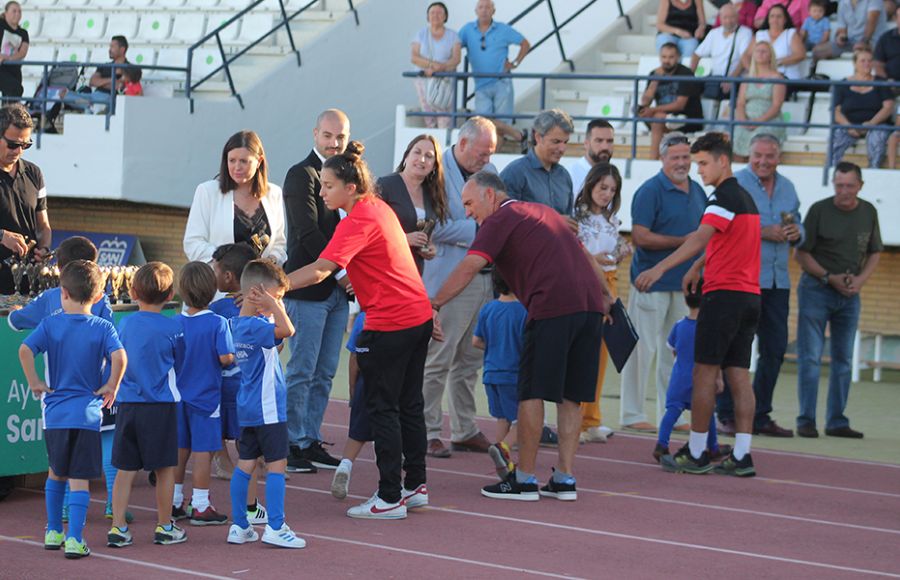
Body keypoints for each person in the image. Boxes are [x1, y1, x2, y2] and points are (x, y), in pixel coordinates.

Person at [432, 171, 613, 502]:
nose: (469, 213)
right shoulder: (543, 212)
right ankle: (564, 478)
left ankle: (525, 479)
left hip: (552, 307)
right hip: (589, 307)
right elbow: (585, 256)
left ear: (491, 196)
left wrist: (433, 303)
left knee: (530, 392)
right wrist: (609, 298)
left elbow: (471, 265)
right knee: (572, 397)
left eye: (470, 204)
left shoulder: (502, 218)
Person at [287, 141, 434, 520]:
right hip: (417, 315)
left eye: (328, 186)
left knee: (383, 407)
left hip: (391, 322)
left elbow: (321, 270)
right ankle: (414, 485)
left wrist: (276, 285)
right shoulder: (377, 208)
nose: (321, 192)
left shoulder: (357, 219)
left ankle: (389, 498)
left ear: (350, 187)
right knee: (409, 404)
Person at [635, 132, 762, 478]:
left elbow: (700, 238)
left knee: (703, 373)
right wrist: (696, 267)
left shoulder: (721, 197)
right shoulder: (747, 198)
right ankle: (742, 454)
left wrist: (660, 267)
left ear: (724, 161)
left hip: (723, 297)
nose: (698, 170)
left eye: (704, 163)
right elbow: (723, 243)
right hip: (750, 296)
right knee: (738, 375)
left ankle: (696, 452)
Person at [7, 236, 122, 522]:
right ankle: (112, 504)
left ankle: (60, 516)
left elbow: (17, 325)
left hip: (57, 400)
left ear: (60, 273)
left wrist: (16, 314)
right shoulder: (102, 301)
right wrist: (112, 383)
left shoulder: (48, 302)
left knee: (59, 463)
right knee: (104, 442)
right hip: (97, 394)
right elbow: (118, 351)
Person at [620, 132, 706, 433]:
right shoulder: (649, 190)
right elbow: (641, 236)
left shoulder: (698, 191)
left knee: (677, 352)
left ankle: (675, 412)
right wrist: (682, 242)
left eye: (686, 157)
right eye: (675, 157)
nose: (681, 163)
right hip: (650, 283)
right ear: (662, 158)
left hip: (684, 287)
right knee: (641, 350)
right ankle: (631, 413)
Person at [717, 134, 802, 438]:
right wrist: (763, 231)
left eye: (770, 156)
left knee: (775, 349)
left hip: (778, 282)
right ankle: (726, 414)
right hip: (744, 279)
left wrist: (795, 231)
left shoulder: (788, 187)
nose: (763, 161)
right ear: (747, 154)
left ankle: (760, 415)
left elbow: (798, 222)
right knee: (734, 348)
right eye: (758, 156)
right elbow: (721, 227)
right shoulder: (735, 184)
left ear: (779, 157)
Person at [422, 117, 497, 458]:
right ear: (463, 144)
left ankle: (465, 428)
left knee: (471, 359)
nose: (487, 159)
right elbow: (430, 227)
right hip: (448, 280)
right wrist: (481, 232)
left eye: (491, 153)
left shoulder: (489, 171)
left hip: (484, 279)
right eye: (482, 153)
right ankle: (428, 430)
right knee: (439, 358)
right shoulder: (435, 171)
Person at [281, 109, 351, 475]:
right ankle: (290, 442)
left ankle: (309, 438)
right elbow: (306, 234)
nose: (334, 142)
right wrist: (340, 271)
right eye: (328, 135)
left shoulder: (348, 176)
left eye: (339, 137)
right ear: (315, 133)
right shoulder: (301, 174)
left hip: (339, 293)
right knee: (302, 369)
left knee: (325, 372)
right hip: (309, 290)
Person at [795, 162, 882, 439]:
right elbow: (802, 254)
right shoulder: (819, 210)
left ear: (860, 186)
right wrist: (828, 277)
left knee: (843, 359)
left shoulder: (868, 211)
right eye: (839, 185)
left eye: (849, 186)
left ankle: (836, 421)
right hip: (816, 290)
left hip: (849, 294)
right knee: (810, 358)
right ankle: (806, 420)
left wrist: (860, 281)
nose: (843, 191)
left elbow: (874, 252)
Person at [227, 259, 305, 548]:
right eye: (277, 296)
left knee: (245, 464)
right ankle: (275, 525)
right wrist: (276, 307)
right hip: (268, 408)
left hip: (248, 407)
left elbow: (275, 343)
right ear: (258, 294)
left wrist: (270, 307)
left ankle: (240, 525)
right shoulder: (259, 325)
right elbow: (288, 331)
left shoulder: (241, 324)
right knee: (276, 465)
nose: (279, 303)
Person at [108, 262, 186, 548]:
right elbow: (181, 361)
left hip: (128, 404)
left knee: (125, 468)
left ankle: (118, 527)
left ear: (132, 291)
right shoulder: (173, 326)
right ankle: (165, 525)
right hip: (160, 405)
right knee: (165, 467)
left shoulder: (124, 324)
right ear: (170, 295)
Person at [209, 243, 269, 531]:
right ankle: (252, 472)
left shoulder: (217, 309)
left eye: (215, 268)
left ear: (230, 277)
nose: (212, 272)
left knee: (215, 429)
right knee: (248, 436)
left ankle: (221, 464)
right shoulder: (258, 308)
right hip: (247, 385)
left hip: (224, 385)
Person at [171, 262, 234, 526]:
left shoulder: (174, 323)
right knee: (203, 452)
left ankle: (174, 501)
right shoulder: (218, 323)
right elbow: (226, 357)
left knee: (179, 450)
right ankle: (200, 504)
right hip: (206, 398)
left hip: (177, 397)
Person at [574, 163, 631, 444]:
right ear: (590, 185)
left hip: (611, 283)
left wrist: (622, 250)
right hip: (587, 285)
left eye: (612, 189)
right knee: (586, 352)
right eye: (602, 187)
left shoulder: (611, 218)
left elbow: (616, 245)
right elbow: (577, 252)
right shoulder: (578, 217)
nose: (607, 193)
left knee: (602, 354)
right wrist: (594, 261)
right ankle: (577, 419)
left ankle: (591, 418)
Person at [653, 280, 731, 464]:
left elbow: (673, 349)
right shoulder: (710, 329)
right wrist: (718, 378)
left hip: (679, 377)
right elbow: (715, 357)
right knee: (707, 413)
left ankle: (661, 444)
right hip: (701, 379)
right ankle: (712, 447)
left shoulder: (679, 325)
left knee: (671, 412)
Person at [184, 130, 286, 265]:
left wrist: (270, 261)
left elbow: (279, 244)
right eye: (232, 160)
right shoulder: (207, 192)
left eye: (244, 161)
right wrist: (229, 261)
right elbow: (192, 243)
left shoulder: (274, 193)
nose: (237, 167)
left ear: (259, 161)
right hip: (221, 283)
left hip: (260, 282)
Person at [472, 270, 527, 463]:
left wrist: (496, 347)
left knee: (502, 417)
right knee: (526, 419)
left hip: (491, 373)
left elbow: (476, 341)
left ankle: (503, 459)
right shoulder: (523, 311)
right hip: (512, 374)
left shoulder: (488, 309)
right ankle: (503, 448)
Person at [458, 0, 530, 143]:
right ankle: (518, 135)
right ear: (476, 11)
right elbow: (453, 47)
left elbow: (525, 44)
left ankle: (498, 154)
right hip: (480, 85)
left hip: (502, 83)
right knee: (483, 124)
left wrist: (515, 63)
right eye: (481, 7)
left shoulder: (503, 29)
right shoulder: (467, 30)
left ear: (493, 11)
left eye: (487, 7)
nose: (484, 10)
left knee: (499, 125)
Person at [377, 134, 448, 275]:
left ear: (434, 165)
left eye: (429, 156)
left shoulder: (432, 193)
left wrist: (430, 247)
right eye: (417, 152)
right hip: (385, 270)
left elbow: (428, 234)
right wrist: (404, 239)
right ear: (406, 156)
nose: (422, 159)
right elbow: (369, 232)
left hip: (413, 272)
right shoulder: (384, 185)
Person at [0, 104, 51, 294]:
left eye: (25, 145)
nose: (18, 151)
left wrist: (44, 249)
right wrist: (2, 236)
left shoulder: (34, 173)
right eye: (13, 145)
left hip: (28, 283)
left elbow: (43, 226)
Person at [330, 310, 374, 500]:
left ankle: (345, 465)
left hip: (366, 382)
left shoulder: (363, 318)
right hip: (392, 380)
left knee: (356, 434)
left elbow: (354, 358)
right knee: (387, 434)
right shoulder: (398, 313)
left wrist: (352, 388)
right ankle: (391, 482)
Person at [500, 108, 575, 217]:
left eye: (565, 142)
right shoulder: (514, 173)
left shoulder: (564, 176)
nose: (562, 148)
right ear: (538, 137)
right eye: (556, 142)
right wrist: (554, 221)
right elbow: (506, 219)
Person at [637, 43, 704, 160]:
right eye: (664, 57)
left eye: (671, 57)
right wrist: (654, 82)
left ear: (678, 57)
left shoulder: (685, 74)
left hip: (688, 118)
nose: (667, 61)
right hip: (665, 118)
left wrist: (652, 110)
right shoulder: (654, 74)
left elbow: (680, 104)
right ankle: (661, 156)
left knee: (657, 118)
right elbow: (645, 101)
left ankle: (652, 160)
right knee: (644, 113)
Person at [831, 48, 894, 167]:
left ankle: (873, 172)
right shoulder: (843, 84)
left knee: (877, 138)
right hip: (849, 125)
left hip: (875, 125)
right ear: (854, 63)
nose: (867, 64)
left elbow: (888, 107)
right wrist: (849, 127)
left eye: (870, 61)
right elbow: (835, 111)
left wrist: (871, 123)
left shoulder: (881, 83)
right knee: (836, 139)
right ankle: (833, 172)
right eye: (863, 61)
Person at [732, 41, 787, 161]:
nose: (760, 54)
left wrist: (757, 121)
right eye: (757, 51)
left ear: (770, 56)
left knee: (761, 135)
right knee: (737, 133)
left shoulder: (777, 78)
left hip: (768, 119)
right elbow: (740, 102)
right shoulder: (747, 78)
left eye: (764, 51)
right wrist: (742, 120)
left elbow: (776, 105)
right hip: (747, 118)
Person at [411, 2, 461, 128]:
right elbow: (414, 57)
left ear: (445, 16)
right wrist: (433, 65)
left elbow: (456, 59)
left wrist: (441, 68)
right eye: (432, 12)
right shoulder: (421, 34)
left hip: (444, 80)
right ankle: (431, 138)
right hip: (424, 80)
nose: (435, 15)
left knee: (444, 112)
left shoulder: (453, 36)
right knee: (428, 113)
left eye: (439, 13)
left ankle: (443, 139)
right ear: (428, 16)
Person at [691, 2, 753, 102]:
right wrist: (690, 76)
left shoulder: (745, 32)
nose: (729, 21)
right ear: (720, 18)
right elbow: (696, 54)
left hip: (735, 79)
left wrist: (731, 79)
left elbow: (743, 59)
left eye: (732, 17)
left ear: (737, 17)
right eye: (725, 17)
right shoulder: (714, 33)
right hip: (715, 79)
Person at [58, 36, 129, 111]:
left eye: (112, 47)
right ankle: (91, 106)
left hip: (109, 98)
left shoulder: (129, 68)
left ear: (122, 49)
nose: (109, 50)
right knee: (64, 95)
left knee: (97, 102)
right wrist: (112, 80)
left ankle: (91, 106)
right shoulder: (105, 66)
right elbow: (92, 81)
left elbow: (119, 86)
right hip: (92, 97)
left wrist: (101, 82)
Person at [741, 4, 806, 82]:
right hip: (760, 78)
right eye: (772, 16)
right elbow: (745, 56)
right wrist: (754, 71)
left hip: (787, 79)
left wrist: (776, 62)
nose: (775, 19)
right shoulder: (760, 34)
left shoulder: (791, 33)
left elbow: (800, 54)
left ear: (785, 20)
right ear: (768, 19)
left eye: (779, 16)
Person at [815, 0, 887, 60]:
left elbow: (872, 21)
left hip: (872, 42)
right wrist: (841, 37)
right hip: (851, 42)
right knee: (817, 51)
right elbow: (842, 27)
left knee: (860, 52)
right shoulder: (843, 2)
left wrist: (864, 42)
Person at [567, 118, 615, 199]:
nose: (605, 147)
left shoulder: (613, 174)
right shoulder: (570, 175)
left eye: (609, 141)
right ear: (586, 144)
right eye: (599, 141)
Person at [0, 1, 29, 100]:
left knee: (13, 98)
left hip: (14, 70)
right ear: (6, 13)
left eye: (19, 11)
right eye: (14, 11)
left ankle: (7, 115)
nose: (17, 14)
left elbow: (22, 52)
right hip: (1, 68)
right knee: (16, 89)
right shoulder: (1, 25)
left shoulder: (23, 33)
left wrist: (7, 57)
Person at [873, 3, 900, 81]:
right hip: (891, 84)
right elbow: (878, 64)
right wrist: (887, 82)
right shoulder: (885, 38)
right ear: (895, 18)